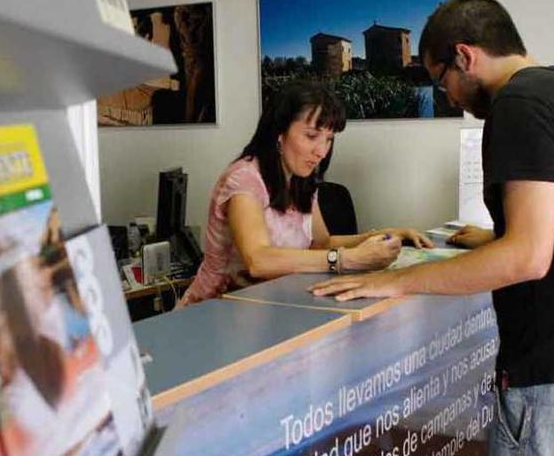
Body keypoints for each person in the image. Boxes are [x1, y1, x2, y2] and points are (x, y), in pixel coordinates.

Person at [310, 0, 554, 456]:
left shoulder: (518, 106)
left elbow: (528, 256)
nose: (447, 97)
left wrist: (399, 282)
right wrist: (492, 238)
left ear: (464, 55)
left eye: (441, 80)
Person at [178, 81, 432, 307]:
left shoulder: (301, 178)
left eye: (329, 139)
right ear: (279, 133)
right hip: (216, 310)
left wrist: (383, 235)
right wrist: (346, 260)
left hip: (271, 305)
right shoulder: (244, 178)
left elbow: (320, 243)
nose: (321, 151)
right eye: (311, 136)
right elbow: (259, 260)